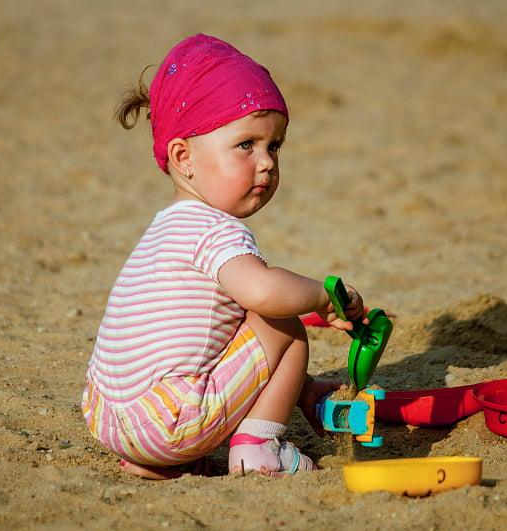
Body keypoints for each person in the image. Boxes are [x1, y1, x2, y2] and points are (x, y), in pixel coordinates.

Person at [81, 34, 367, 480]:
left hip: (108, 416)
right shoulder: (216, 228)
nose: (267, 162)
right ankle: (257, 448)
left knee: (245, 320)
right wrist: (321, 295)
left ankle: (157, 463)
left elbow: (227, 332)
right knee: (284, 325)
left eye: (275, 146)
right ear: (184, 156)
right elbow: (265, 293)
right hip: (169, 422)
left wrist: (304, 388)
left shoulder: (165, 227)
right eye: (246, 145)